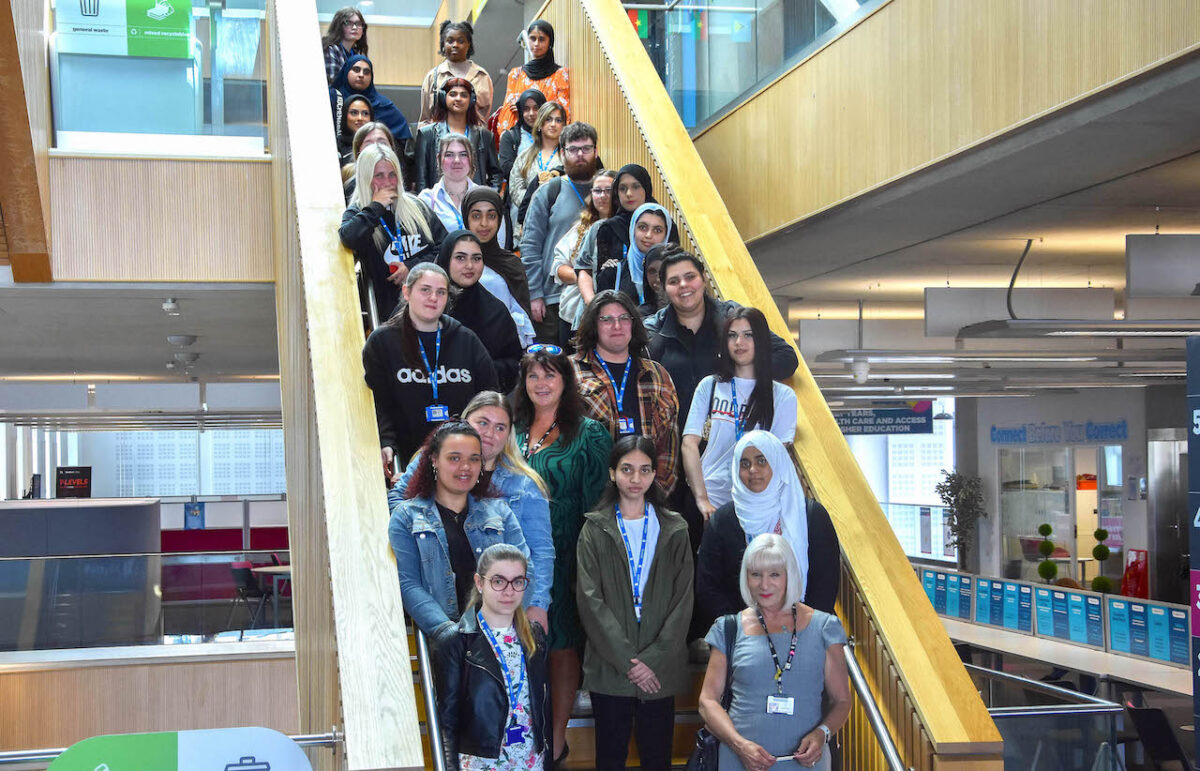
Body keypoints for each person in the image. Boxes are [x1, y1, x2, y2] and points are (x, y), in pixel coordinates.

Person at [511, 345, 612, 764]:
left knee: (561, 645)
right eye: (534, 376)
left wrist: (590, 563)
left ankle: (554, 740)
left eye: (551, 375)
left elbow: (599, 503)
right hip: (513, 555)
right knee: (519, 645)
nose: (542, 383)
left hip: (568, 551)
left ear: (566, 381)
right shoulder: (511, 428)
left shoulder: (588, 433)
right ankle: (525, 736)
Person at [576, 436, 693, 771]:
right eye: (627, 470)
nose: (635, 479)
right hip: (610, 668)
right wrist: (629, 663)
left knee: (657, 759)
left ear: (655, 474)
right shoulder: (594, 529)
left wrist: (652, 660)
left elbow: (683, 602)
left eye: (644, 470)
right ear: (613, 473)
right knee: (610, 759)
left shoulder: (675, 529)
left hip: (660, 669)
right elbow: (589, 599)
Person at [396, 392, 555, 632]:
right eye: (482, 423)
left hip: (503, 607)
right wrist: (412, 521)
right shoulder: (428, 458)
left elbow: (540, 551)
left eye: (500, 427)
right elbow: (397, 498)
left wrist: (537, 604)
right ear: (465, 420)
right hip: (441, 600)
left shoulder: (524, 484)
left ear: (509, 434)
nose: (489, 433)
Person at [697, 534, 850, 771]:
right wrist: (739, 745)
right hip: (739, 761)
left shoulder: (825, 628)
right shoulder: (728, 628)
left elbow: (841, 700)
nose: (764, 585)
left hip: (807, 764)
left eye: (774, 574)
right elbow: (707, 701)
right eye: (755, 574)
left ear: (790, 575)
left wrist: (822, 733)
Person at [387, 422, 528, 636]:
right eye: (454, 458)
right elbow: (408, 583)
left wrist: (503, 623)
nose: (465, 467)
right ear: (434, 460)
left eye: (474, 458)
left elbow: (526, 569)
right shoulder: (406, 517)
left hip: (500, 635)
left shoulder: (500, 512)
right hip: (445, 643)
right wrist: (447, 632)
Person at [695, 431, 840, 636]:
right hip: (743, 639)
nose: (753, 470)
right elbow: (708, 588)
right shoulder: (722, 521)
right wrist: (745, 628)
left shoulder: (811, 517)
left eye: (761, 460)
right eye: (744, 464)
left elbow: (825, 584)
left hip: (805, 635)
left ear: (778, 463)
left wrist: (801, 627)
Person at [362, 264, 499, 475]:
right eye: (425, 290)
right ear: (407, 292)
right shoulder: (382, 342)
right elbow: (377, 401)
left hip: (460, 459)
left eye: (441, 292)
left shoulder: (467, 340)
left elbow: (488, 398)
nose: (433, 297)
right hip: (406, 459)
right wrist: (386, 441)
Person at [645, 247, 799, 427]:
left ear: (703, 278)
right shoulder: (653, 330)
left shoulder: (731, 317)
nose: (683, 285)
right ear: (663, 288)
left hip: (733, 436)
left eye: (690, 277)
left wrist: (741, 371)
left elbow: (786, 357)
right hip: (675, 441)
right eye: (673, 281)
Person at [432, 543, 551, 771]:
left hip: (530, 761)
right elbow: (447, 723)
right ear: (479, 583)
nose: (509, 592)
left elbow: (544, 707)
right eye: (498, 581)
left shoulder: (534, 636)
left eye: (517, 582)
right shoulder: (455, 641)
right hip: (480, 763)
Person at [681, 306, 799, 520]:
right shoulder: (710, 386)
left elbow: (777, 457)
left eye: (748, 335)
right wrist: (701, 498)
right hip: (709, 503)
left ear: (762, 341)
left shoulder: (782, 396)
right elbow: (689, 444)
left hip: (758, 506)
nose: (739, 343)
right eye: (732, 336)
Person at [571, 291, 679, 495]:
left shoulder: (657, 374)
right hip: (589, 496)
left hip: (649, 496)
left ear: (633, 323)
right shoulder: (570, 372)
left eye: (624, 318)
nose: (617, 326)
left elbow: (669, 443)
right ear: (593, 325)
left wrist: (655, 494)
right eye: (607, 319)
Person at [340, 143, 447, 319]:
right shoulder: (358, 214)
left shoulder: (417, 207)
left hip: (433, 306)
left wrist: (413, 267)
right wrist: (375, 207)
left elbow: (445, 246)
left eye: (392, 175)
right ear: (366, 179)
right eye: (379, 176)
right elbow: (349, 238)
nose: (388, 183)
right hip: (391, 315)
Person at [520, 122, 600, 344]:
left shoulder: (606, 191)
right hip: (552, 299)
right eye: (573, 150)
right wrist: (535, 294)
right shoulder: (549, 191)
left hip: (597, 297)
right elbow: (530, 246)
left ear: (596, 151)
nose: (580, 155)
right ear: (563, 153)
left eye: (586, 148)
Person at [436, 231, 524, 392]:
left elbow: (514, 363)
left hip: (482, 403)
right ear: (445, 259)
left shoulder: (496, 311)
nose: (469, 265)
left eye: (476, 258)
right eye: (460, 258)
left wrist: (477, 369)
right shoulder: (427, 304)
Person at [462, 188, 535, 346]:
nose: (484, 223)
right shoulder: (452, 261)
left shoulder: (511, 264)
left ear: (500, 219)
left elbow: (523, 320)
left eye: (491, 216)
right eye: (476, 216)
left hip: (503, 351)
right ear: (465, 218)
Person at [552, 170, 616, 342]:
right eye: (597, 190)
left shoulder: (627, 228)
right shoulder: (582, 227)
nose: (602, 196)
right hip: (573, 314)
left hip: (613, 316)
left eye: (608, 190)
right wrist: (584, 277)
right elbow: (558, 266)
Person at [414, 79, 501, 191]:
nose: (458, 99)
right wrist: (426, 204)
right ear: (443, 98)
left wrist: (488, 198)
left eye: (464, 95)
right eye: (453, 94)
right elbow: (421, 180)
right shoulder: (427, 134)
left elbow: (496, 175)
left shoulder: (484, 135)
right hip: (438, 204)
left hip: (474, 203)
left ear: (471, 100)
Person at [588, 202, 674, 314]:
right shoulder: (612, 272)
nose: (648, 235)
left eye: (657, 230)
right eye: (642, 227)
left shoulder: (674, 274)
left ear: (666, 235)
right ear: (632, 229)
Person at [495, 20, 570, 138]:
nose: (536, 44)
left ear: (550, 42)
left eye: (541, 39)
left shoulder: (560, 75)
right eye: (532, 38)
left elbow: (564, 114)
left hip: (550, 141)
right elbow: (506, 114)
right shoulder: (516, 74)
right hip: (520, 142)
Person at [418, 134, 503, 236]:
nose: (457, 160)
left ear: (471, 159)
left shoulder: (488, 197)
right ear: (438, 159)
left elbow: (499, 242)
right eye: (449, 155)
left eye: (463, 154)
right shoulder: (426, 200)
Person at [329, 55, 412, 152]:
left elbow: (401, 140)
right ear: (346, 71)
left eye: (366, 72)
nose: (361, 75)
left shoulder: (383, 105)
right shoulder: (333, 98)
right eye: (356, 70)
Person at [419, 20, 494, 126]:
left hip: (472, 139)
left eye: (461, 41)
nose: (455, 45)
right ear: (443, 45)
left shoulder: (481, 76)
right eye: (450, 41)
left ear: (468, 44)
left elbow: (484, 117)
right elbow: (425, 119)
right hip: (439, 138)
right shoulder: (433, 76)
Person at [509, 102, 566, 228]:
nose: (553, 124)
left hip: (560, 220)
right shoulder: (525, 156)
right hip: (528, 221)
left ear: (563, 126)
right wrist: (537, 202)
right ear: (540, 124)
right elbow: (515, 188)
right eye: (548, 119)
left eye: (558, 120)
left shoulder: (568, 156)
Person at [498, 89, 546, 185]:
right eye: (526, 109)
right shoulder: (510, 137)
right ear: (520, 112)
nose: (531, 114)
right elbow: (506, 169)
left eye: (536, 108)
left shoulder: (551, 136)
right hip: (519, 194)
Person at [341, 121, 396, 202]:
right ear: (358, 153)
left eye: (382, 143)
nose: (377, 149)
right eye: (368, 145)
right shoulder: (352, 187)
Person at [322, 6, 367, 84]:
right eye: (348, 23)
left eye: (358, 23)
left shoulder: (357, 54)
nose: (354, 27)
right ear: (338, 26)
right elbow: (333, 84)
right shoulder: (330, 49)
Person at [336, 94, 372, 167]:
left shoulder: (376, 144)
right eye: (354, 113)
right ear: (345, 116)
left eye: (365, 113)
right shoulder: (336, 145)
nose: (360, 118)